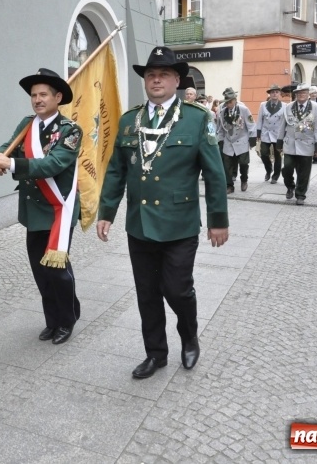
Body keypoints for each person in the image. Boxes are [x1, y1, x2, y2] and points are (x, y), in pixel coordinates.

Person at [96, 46, 229, 379]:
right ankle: (156, 353)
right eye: (150, 75)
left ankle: (189, 337)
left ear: (176, 80)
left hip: (179, 225)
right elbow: (115, 171)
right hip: (139, 224)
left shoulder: (198, 119)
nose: (156, 80)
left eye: (164, 75)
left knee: (177, 289)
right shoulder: (130, 121)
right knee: (147, 293)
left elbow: (214, 174)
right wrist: (107, 211)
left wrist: (218, 221)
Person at [0, 68, 82, 345]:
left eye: (43, 95)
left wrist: (11, 164)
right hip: (33, 210)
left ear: (57, 97)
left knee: (57, 270)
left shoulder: (70, 130)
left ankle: (67, 319)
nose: (37, 100)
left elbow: (53, 164)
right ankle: (52, 321)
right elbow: (9, 147)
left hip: (57, 210)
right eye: (33, 95)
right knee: (40, 270)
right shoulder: (27, 125)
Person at [278, 83, 317, 206]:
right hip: (290, 144)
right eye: (299, 93)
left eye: (304, 93)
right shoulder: (288, 107)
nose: (301, 95)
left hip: (307, 144)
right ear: (296, 95)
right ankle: (290, 186)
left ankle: (300, 195)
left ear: (308, 95)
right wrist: (279, 141)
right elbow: (282, 125)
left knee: (304, 172)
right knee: (287, 168)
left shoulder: (315, 107)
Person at [217, 87, 256, 193]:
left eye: (230, 101)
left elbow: (251, 124)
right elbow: (220, 128)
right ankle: (229, 186)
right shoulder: (222, 112)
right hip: (228, 142)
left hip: (241, 140)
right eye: (226, 102)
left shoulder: (243, 109)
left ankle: (244, 179)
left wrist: (252, 138)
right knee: (227, 166)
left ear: (235, 100)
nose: (228, 104)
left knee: (243, 163)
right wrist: (220, 141)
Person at [257, 83, 285, 183]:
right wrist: (258, 133)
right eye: (272, 92)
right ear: (270, 94)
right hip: (266, 133)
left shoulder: (284, 106)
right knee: (263, 154)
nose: (274, 94)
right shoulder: (263, 105)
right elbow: (260, 119)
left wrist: (284, 135)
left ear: (279, 94)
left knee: (278, 156)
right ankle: (269, 170)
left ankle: (275, 176)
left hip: (278, 134)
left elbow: (285, 122)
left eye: (276, 92)